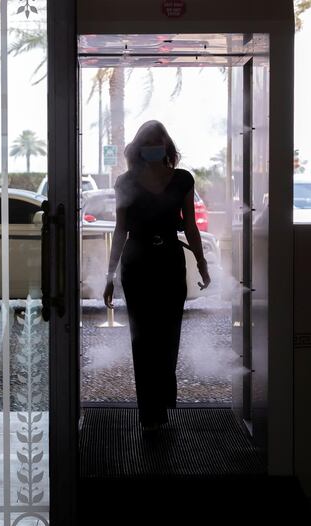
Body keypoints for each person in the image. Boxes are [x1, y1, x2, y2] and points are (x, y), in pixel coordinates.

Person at [103, 120, 211, 434]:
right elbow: (120, 230)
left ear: (167, 146)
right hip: (137, 266)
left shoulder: (182, 180)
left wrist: (202, 264)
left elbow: (190, 227)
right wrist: (110, 275)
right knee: (142, 339)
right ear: (139, 148)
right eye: (147, 141)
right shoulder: (125, 182)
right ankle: (149, 411)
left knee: (168, 337)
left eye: (158, 140)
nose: (153, 146)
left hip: (169, 264)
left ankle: (161, 402)